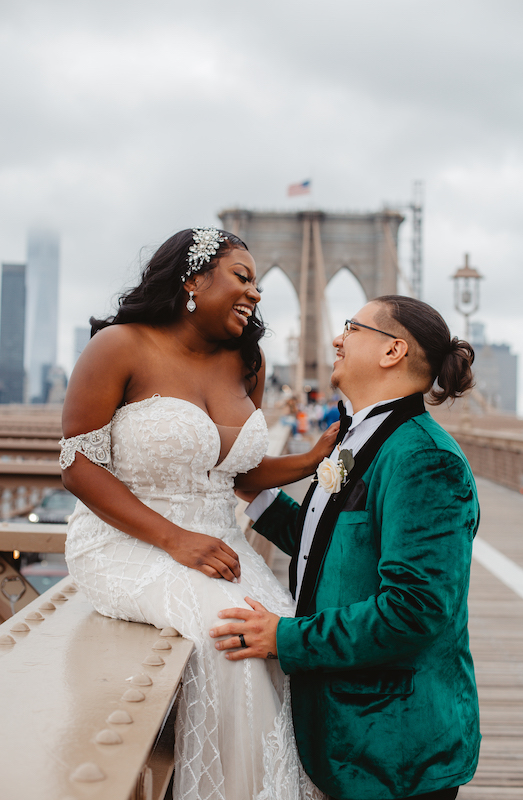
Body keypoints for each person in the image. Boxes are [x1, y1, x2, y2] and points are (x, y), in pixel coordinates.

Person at [59, 227, 338, 800]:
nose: (256, 294)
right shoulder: (119, 346)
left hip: (216, 547)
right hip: (126, 541)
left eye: (258, 284)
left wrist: (310, 459)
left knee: (280, 640)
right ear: (192, 280)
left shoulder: (248, 361)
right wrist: (172, 538)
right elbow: (77, 466)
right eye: (242, 277)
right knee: (231, 638)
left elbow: (231, 472)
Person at [211, 296, 481, 800]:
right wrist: (255, 492)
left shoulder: (424, 459)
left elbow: (415, 611)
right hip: (342, 733)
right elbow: (331, 547)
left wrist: (284, 638)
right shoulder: (359, 437)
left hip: (393, 748)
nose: (336, 339)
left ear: (392, 351)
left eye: (351, 328)